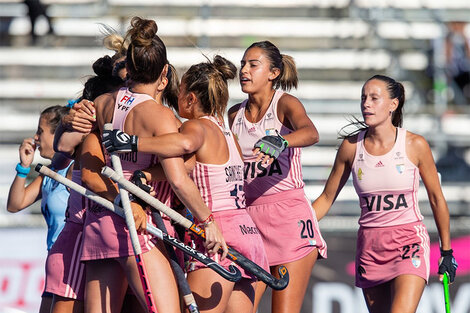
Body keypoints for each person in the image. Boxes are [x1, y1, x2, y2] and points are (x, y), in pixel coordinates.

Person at [80, 17, 227, 313]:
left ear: (129, 69)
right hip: (138, 223)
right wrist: (208, 222)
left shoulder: (103, 101)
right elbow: (179, 180)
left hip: (100, 219)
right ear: (164, 73)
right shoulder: (158, 116)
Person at [103, 54, 270, 313]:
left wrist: (132, 142)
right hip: (246, 232)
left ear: (191, 98)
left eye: (180, 92)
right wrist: (148, 175)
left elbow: (184, 146)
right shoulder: (227, 134)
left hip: (218, 233)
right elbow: (188, 164)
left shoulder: (196, 127)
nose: (175, 98)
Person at [311, 75, 458, 313]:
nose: (366, 104)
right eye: (363, 98)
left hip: (408, 243)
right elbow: (327, 198)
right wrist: (299, 228)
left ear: (393, 104)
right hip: (370, 246)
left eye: (374, 98)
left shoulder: (415, 144)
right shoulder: (350, 147)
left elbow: (436, 198)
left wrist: (447, 251)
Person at [227, 40, 327, 313]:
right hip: (248, 221)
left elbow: (311, 133)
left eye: (253, 65)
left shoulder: (285, 103)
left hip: (288, 221)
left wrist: (280, 142)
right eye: (242, 65)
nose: (244, 71)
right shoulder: (234, 113)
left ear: (273, 73)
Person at [47, 47, 125, 313]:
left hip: (107, 235)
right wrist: (66, 123)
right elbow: (61, 151)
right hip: (83, 234)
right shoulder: (89, 119)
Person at [7, 105, 73, 313]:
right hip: (55, 260)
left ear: (59, 134)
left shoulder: (74, 169)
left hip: (71, 260)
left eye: (41, 131)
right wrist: (24, 167)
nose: (35, 137)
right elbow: (15, 205)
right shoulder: (50, 172)